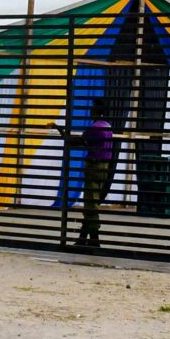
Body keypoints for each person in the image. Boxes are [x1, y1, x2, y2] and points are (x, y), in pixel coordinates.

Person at [63, 99, 116, 251]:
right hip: (104, 167)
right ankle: (82, 238)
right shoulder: (107, 127)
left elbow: (79, 141)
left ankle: (94, 240)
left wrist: (62, 133)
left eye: (93, 108)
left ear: (96, 111)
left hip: (93, 166)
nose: (91, 111)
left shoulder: (94, 127)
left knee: (90, 204)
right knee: (91, 202)